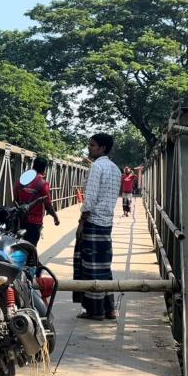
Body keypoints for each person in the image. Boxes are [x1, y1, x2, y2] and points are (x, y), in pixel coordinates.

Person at [73, 133, 121, 321]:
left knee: (89, 266)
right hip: (106, 222)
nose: (89, 148)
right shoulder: (116, 169)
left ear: (102, 148)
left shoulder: (97, 167)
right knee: (103, 266)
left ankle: (95, 311)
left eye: (92, 145)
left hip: (93, 221)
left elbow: (90, 199)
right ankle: (109, 308)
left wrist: (81, 222)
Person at [14, 157, 60, 247]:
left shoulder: (21, 181)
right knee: (31, 246)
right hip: (34, 222)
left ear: (33, 166)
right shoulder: (43, 183)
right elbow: (47, 204)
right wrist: (55, 217)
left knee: (17, 245)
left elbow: (15, 199)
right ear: (44, 168)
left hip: (19, 219)